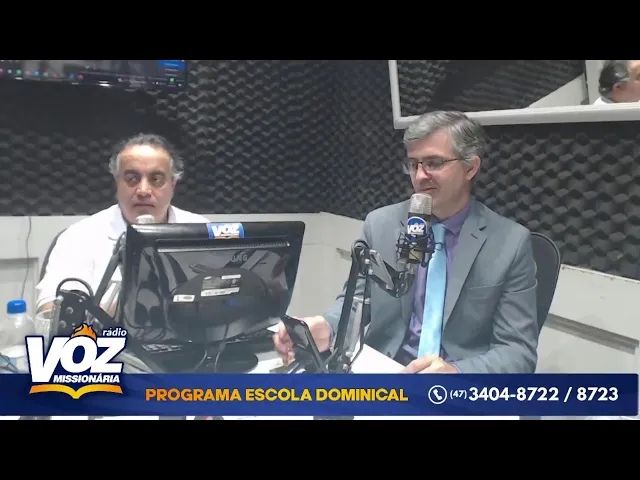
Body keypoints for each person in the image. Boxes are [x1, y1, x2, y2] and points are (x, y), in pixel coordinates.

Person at [274, 111, 539, 374]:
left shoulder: (510, 243)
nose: (420, 176)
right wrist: (328, 326)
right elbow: (356, 301)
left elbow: (518, 352)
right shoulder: (381, 224)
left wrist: (457, 373)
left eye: (434, 163)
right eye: (413, 164)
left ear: (471, 167)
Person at [35, 133, 209, 314]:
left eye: (156, 179)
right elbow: (51, 311)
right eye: (132, 178)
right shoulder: (79, 237)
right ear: (117, 182)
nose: (143, 191)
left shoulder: (203, 232)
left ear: (173, 184)